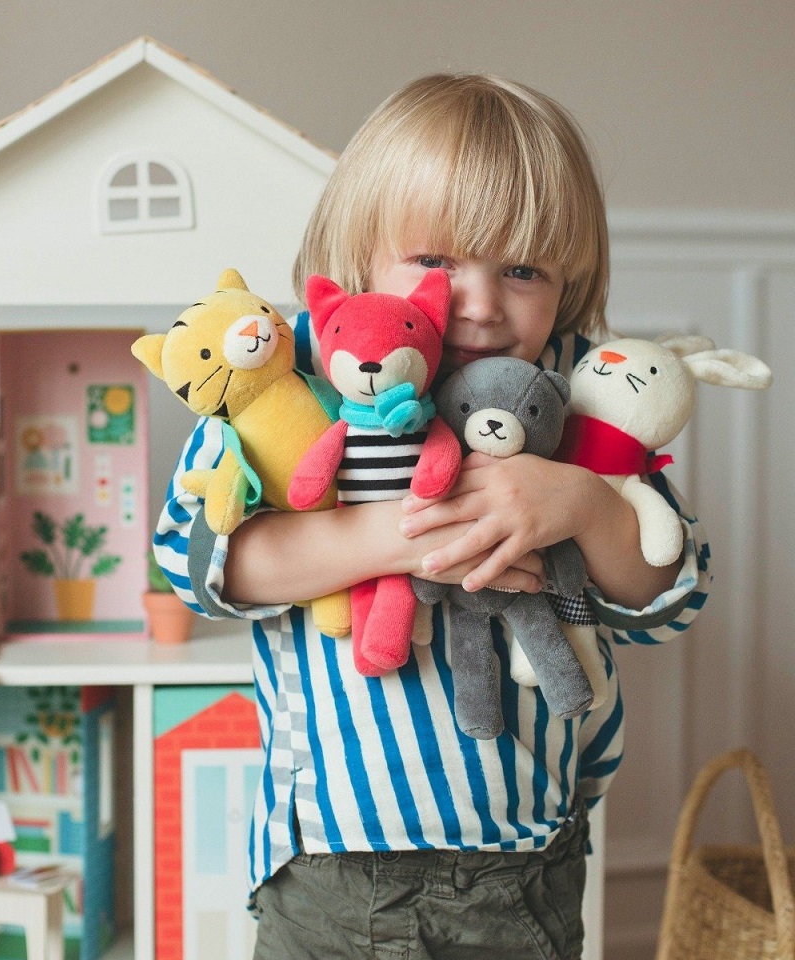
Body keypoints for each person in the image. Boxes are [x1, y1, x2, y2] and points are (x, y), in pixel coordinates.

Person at [154, 73, 711, 960]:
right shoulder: (294, 373)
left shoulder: (577, 390)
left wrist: (581, 502)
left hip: (530, 860)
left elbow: (672, 590)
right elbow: (198, 563)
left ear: (568, 285)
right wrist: (399, 534)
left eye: (522, 269)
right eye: (437, 261)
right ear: (360, 255)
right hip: (339, 867)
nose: (481, 301)